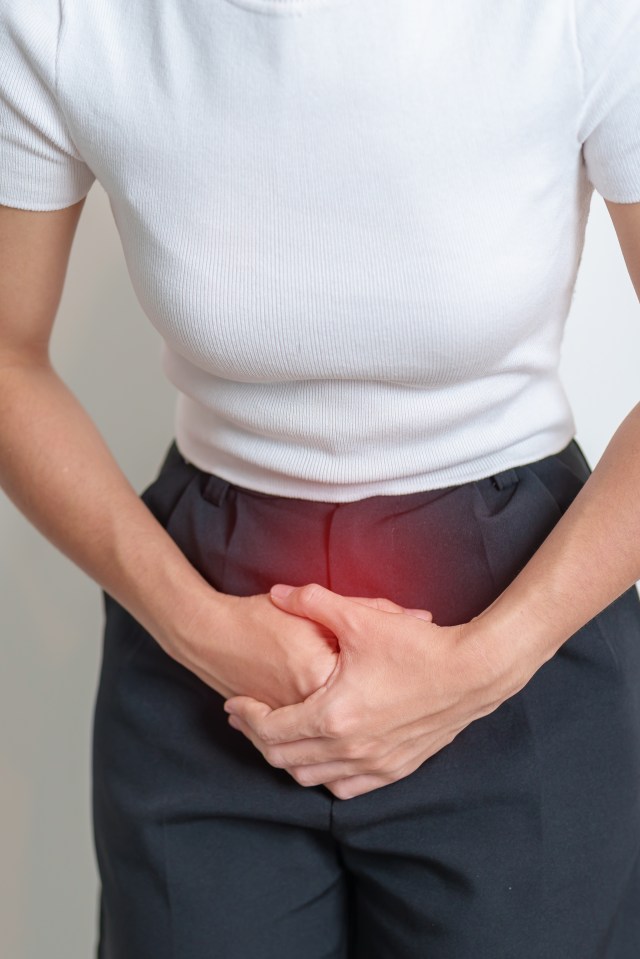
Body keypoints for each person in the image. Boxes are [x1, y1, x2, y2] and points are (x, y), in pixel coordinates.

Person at [1, 0, 640, 956]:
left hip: (524, 601)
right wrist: (192, 623)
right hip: (204, 621)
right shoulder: (64, 19)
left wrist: (479, 668)